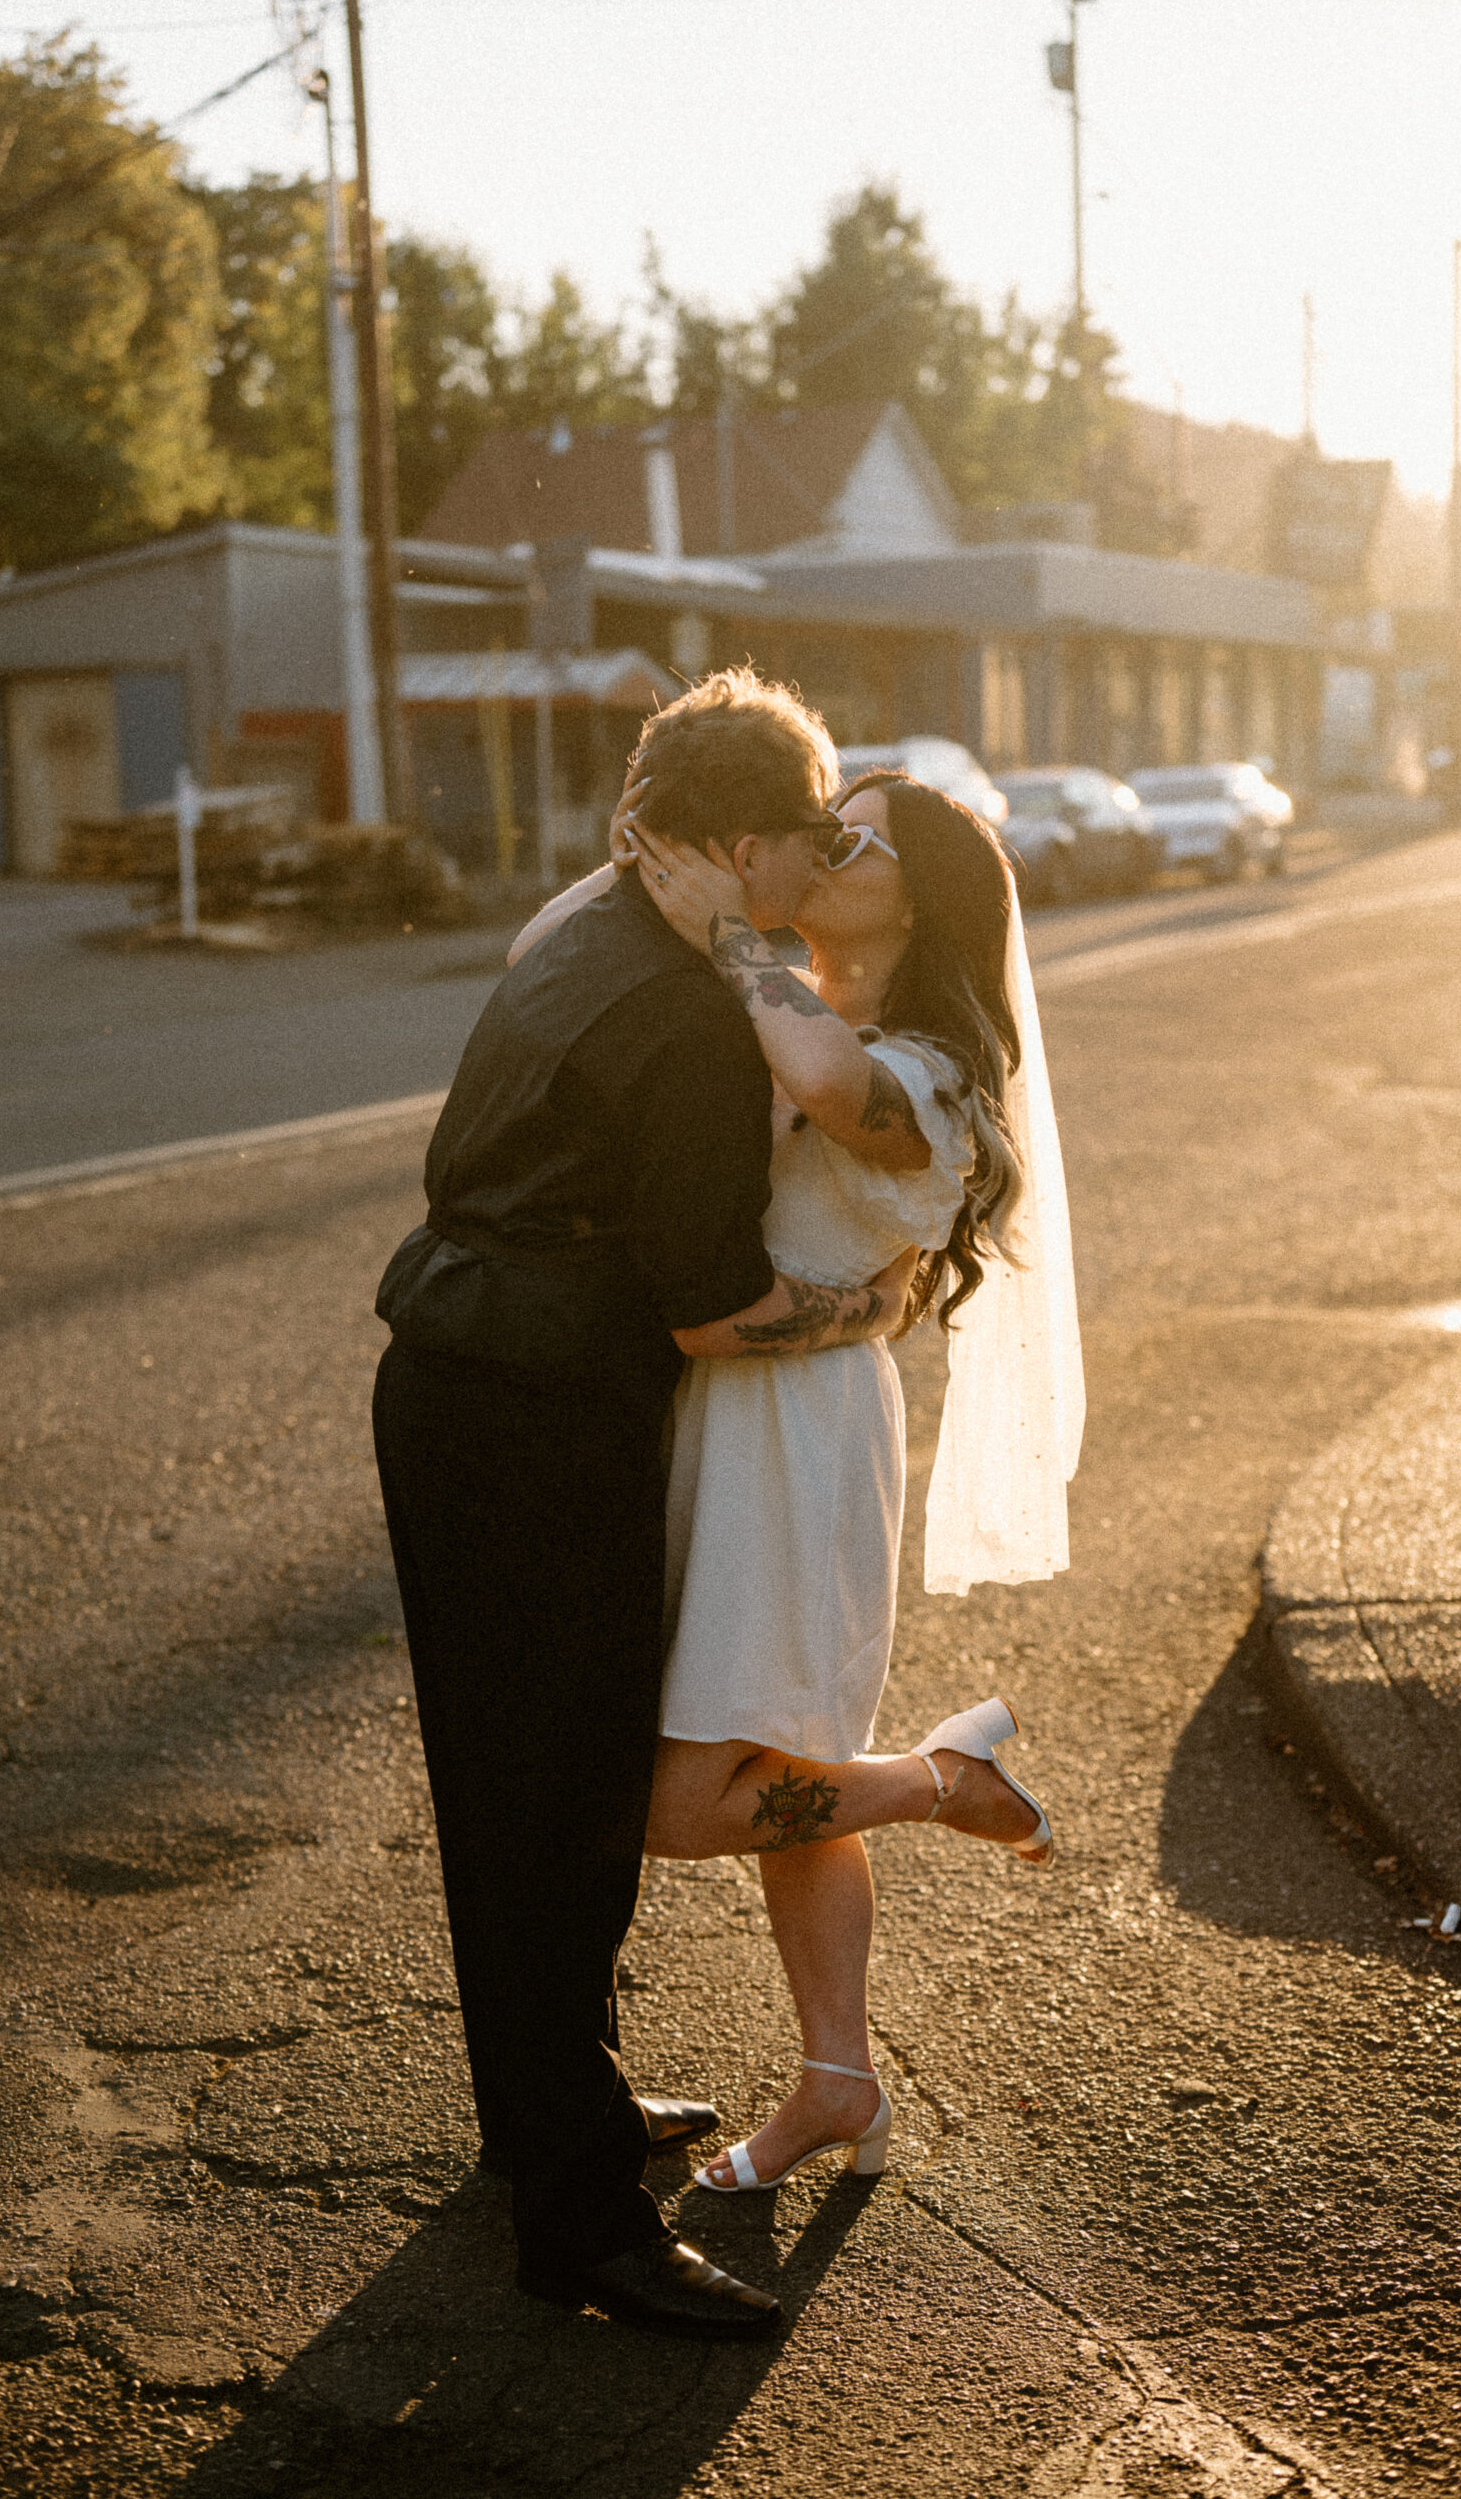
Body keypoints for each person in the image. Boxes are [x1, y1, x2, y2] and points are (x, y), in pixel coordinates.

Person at [372, 671, 915, 2339]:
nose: (820, 865)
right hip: (538, 1411)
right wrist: (872, 1313)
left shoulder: (586, 914)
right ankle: (581, 2226)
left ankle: (554, 2126)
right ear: (740, 841)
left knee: (513, 1787)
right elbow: (711, 1305)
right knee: (560, 1803)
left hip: (455, 1376)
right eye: (809, 837)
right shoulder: (686, 1017)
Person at [520, 763, 1084, 2200]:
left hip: (798, 1439)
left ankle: (945, 1780)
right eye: (823, 823)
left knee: (689, 1800)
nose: (826, 848)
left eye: (859, 839)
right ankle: (839, 2076)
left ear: (925, 896)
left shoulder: (927, 1067)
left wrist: (734, 931)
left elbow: (835, 1093)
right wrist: (653, 841)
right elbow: (542, 951)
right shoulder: (787, 1003)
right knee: (787, 1769)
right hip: (709, 1409)